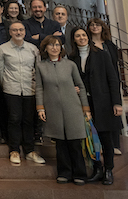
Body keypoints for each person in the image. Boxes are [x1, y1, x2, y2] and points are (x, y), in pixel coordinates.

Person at [35, 35, 91, 185]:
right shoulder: (41, 66)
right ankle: (64, 172)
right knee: (60, 143)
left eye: (57, 45)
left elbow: (81, 86)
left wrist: (86, 108)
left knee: (74, 143)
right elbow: (39, 88)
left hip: (72, 107)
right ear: (45, 48)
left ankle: (80, 173)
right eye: (51, 45)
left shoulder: (70, 65)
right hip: (53, 108)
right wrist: (40, 107)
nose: (54, 48)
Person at [70, 27, 122, 185]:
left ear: (88, 37)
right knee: (91, 137)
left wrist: (117, 102)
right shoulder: (71, 58)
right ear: (73, 39)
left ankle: (108, 170)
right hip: (84, 103)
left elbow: (113, 79)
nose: (81, 38)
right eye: (77, 36)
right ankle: (97, 168)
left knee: (105, 137)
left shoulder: (101, 54)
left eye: (83, 35)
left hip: (103, 101)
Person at [0, 21, 46, 165]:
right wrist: (6, 85)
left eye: (21, 30)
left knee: (29, 120)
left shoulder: (33, 49)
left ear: (25, 31)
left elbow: (37, 69)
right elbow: (0, 71)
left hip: (30, 89)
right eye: (15, 30)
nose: (18, 32)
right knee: (14, 119)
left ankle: (30, 151)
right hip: (11, 89)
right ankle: (14, 150)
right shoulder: (2, 49)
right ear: (10, 32)